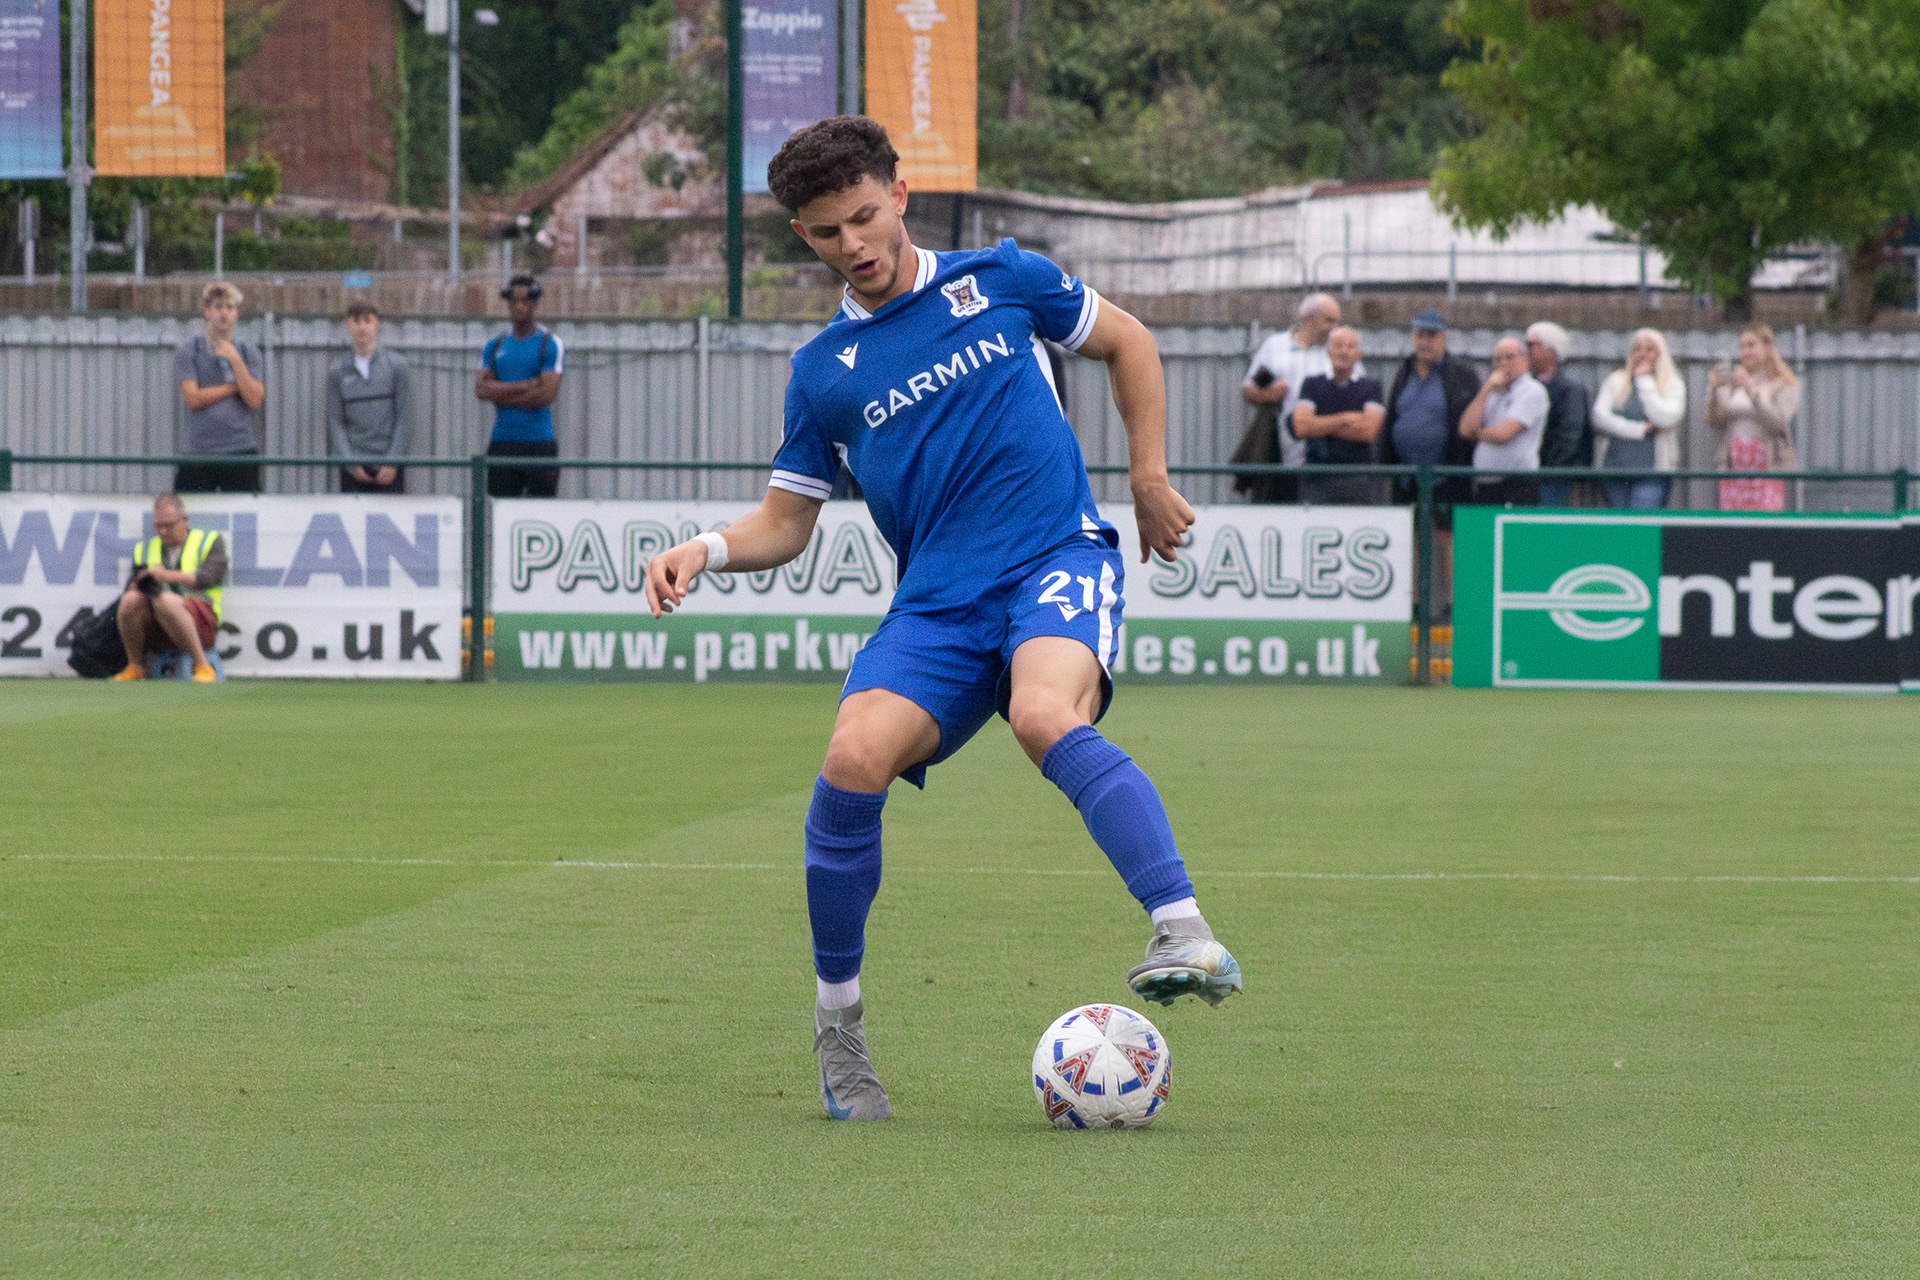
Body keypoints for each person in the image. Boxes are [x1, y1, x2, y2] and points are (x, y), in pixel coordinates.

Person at [643, 116, 1240, 1123]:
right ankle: (840, 1020)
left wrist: (1147, 474)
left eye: (867, 216)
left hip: (1054, 559)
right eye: (829, 232)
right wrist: (703, 547)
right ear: (804, 235)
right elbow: (788, 520)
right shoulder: (823, 372)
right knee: (850, 755)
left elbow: (1128, 341)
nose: (856, 246)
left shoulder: (1002, 278)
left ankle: (1181, 927)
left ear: (900, 193)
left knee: (1046, 713)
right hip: (936, 604)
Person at [1378, 309, 1481, 618]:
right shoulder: (1404, 371)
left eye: (1432, 335)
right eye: (1420, 335)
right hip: (1408, 475)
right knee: (1411, 538)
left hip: (1447, 473)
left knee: (1448, 536)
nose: (1425, 342)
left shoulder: (1461, 373)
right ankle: (1414, 606)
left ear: (1443, 338)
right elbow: (1393, 417)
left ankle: (1454, 607)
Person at [111, 493, 227, 683]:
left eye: (169, 525)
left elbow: (208, 578)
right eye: (158, 526)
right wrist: (138, 583)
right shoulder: (145, 548)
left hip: (201, 621)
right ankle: (135, 666)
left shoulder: (210, 540)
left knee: (165, 600)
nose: (163, 531)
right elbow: (130, 589)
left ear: (185, 521)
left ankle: (202, 666)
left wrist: (164, 576)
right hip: (159, 625)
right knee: (130, 599)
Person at [1241, 293, 1347, 500]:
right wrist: (1267, 394)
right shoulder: (1276, 347)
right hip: (1279, 452)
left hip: (1327, 457)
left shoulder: (1338, 349)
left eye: (1337, 321)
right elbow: (1249, 390)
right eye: (1329, 320)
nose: (1334, 327)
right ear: (1308, 318)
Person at [173, 281, 266, 493]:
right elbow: (193, 399)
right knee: (193, 518)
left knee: (243, 519)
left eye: (229, 307)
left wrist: (235, 359)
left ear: (237, 314)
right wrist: (233, 388)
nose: (223, 313)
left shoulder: (247, 351)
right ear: (207, 311)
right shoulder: (189, 351)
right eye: (218, 307)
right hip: (198, 451)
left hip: (240, 450)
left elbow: (254, 399)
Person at [476, 274, 564, 498]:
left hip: (539, 443)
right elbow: (481, 390)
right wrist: (527, 385)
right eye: (514, 301)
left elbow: (545, 395)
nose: (519, 307)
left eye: (525, 301)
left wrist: (500, 392)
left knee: (540, 514)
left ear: (535, 303)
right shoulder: (495, 345)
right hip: (502, 441)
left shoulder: (549, 343)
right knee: (499, 512)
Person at [1708, 323, 1801, 512]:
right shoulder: (1732, 383)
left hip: (1767, 464)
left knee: (1764, 525)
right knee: (1733, 526)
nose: (1745, 352)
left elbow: (1778, 423)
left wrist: (1750, 389)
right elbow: (1715, 421)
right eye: (1742, 347)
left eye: (1751, 345)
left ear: (1767, 347)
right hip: (1733, 463)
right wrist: (1714, 390)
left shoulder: (1785, 384)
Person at [1593, 327, 1685, 509]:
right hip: (1615, 469)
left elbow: (1665, 418)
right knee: (1619, 526)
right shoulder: (1615, 380)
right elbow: (1599, 417)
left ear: (1660, 353)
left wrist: (1644, 382)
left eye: (1649, 349)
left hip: (1652, 472)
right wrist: (1640, 430)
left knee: (1642, 522)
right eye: (1637, 348)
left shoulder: (1672, 383)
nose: (1642, 353)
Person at [327, 302, 414, 494]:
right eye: (356, 321)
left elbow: (404, 418)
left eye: (367, 320)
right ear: (347, 326)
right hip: (354, 469)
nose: (362, 327)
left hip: (388, 468)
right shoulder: (336, 371)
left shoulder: (397, 366)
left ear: (377, 325)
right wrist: (350, 463)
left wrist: (392, 462)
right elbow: (336, 421)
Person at [1292, 326, 1385, 504]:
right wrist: (1346, 419)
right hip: (1317, 479)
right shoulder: (1312, 384)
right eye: (1338, 345)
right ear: (1328, 351)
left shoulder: (1372, 387)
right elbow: (1301, 427)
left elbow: (1368, 432)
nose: (1343, 351)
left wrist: (1319, 425)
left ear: (1358, 353)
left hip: (1359, 479)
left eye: (1350, 346)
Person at [1460, 335, 1547, 506]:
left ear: (1525, 359)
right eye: (1498, 358)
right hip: (1486, 484)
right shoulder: (1493, 391)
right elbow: (1464, 429)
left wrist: (1476, 434)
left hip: (1517, 484)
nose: (1503, 363)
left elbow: (1503, 434)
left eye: (1509, 357)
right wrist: (1486, 388)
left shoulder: (1533, 391)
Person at [1526, 321, 1593, 507]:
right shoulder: (1524, 386)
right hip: (1527, 476)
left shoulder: (1570, 391)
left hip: (1553, 478)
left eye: (1532, 345)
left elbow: (1569, 437)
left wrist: (1545, 470)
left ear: (1550, 349)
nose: (1527, 350)